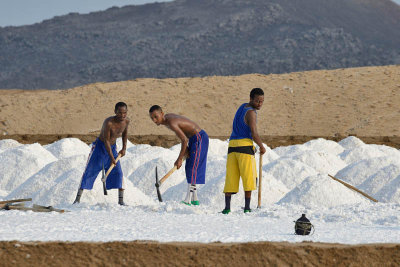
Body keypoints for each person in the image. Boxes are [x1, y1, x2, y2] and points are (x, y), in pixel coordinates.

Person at [149, 105, 209, 205]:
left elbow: (184, 139)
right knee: (190, 167)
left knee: (193, 168)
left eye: (156, 117)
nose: (154, 120)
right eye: (152, 118)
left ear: (162, 114)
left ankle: (188, 200)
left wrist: (179, 159)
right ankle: (195, 199)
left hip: (199, 138)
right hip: (193, 139)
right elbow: (184, 135)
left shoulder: (171, 123)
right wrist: (185, 151)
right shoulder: (167, 120)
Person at [73, 102, 130, 205]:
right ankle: (77, 199)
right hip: (100, 148)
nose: (122, 115)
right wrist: (112, 157)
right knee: (90, 171)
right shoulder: (108, 122)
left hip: (112, 148)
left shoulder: (126, 121)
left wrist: (124, 148)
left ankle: (121, 201)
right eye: (120, 113)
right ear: (115, 112)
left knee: (118, 172)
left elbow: (125, 134)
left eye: (124, 113)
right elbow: (106, 141)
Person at [222, 88, 266, 214]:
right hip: (244, 147)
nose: (259, 104)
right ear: (251, 99)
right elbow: (254, 133)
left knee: (231, 177)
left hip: (232, 146)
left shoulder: (242, 107)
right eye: (257, 101)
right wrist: (262, 147)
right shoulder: (251, 113)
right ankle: (247, 208)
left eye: (262, 101)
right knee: (249, 177)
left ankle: (227, 208)